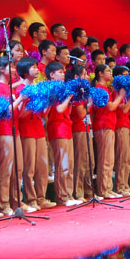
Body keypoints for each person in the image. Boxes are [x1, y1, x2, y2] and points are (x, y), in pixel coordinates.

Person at [0, 55, 33, 216]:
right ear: (1, 69)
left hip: (14, 130)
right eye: (11, 67)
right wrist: (20, 99)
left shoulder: (9, 88)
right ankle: (4, 204)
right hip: (3, 131)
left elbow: (16, 112)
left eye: (14, 67)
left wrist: (23, 102)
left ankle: (17, 202)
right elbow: (3, 111)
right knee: (5, 169)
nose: (14, 70)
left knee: (18, 168)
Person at [17, 57, 56, 211]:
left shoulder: (38, 87)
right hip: (26, 130)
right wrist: (34, 104)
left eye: (36, 66)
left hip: (39, 129)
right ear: (25, 71)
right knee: (29, 167)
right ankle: (31, 199)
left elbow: (43, 113)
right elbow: (20, 115)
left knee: (42, 166)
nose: (36, 69)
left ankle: (41, 197)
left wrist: (49, 102)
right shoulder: (21, 89)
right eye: (33, 67)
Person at [45, 61, 81, 207]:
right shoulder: (51, 89)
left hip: (66, 126)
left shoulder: (63, 89)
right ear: (52, 75)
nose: (63, 74)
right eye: (60, 72)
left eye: (63, 71)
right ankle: (62, 196)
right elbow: (59, 109)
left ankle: (69, 194)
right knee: (62, 164)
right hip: (57, 128)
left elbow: (67, 111)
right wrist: (69, 97)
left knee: (69, 164)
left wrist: (70, 99)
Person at [92, 64, 126, 198]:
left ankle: (108, 188)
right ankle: (103, 189)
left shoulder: (106, 88)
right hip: (103, 125)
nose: (110, 73)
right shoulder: (99, 88)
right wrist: (120, 96)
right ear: (100, 74)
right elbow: (110, 107)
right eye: (107, 71)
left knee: (109, 159)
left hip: (109, 125)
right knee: (105, 159)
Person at [67, 65, 97, 202]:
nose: (86, 77)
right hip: (78, 128)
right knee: (81, 162)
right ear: (76, 77)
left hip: (86, 127)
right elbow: (80, 113)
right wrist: (89, 104)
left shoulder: (84, 92)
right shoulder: (76, 93)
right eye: (83, 74)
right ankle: (78, 192)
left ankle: (89, 191)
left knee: (89, 161)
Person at [112, 66, 130, 196]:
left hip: (126, 124)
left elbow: (129, 112)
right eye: (125, 75)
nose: (128, 77)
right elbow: (124, 109)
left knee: (127, 158)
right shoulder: (116, 92)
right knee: (122, 157)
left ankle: (125, 184)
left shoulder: (124, 93)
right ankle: (120, 186)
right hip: (120, 125)